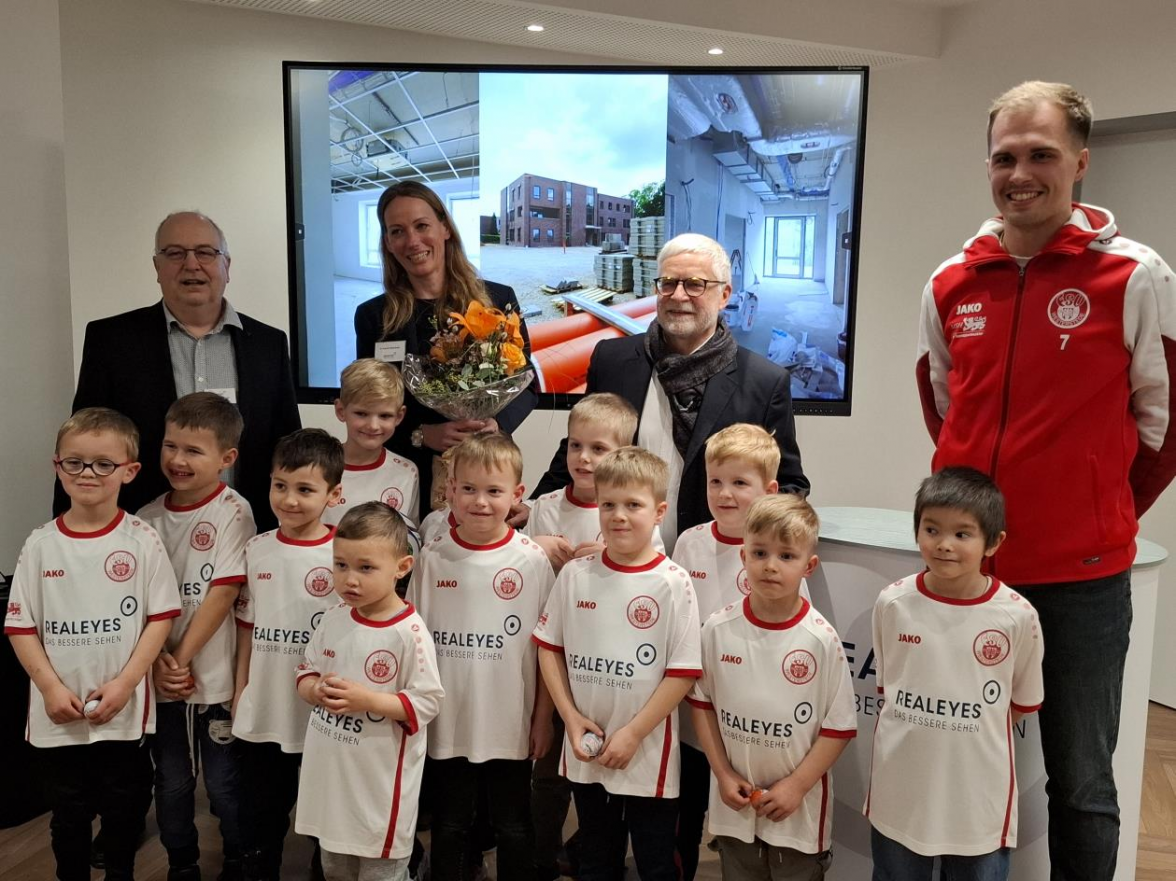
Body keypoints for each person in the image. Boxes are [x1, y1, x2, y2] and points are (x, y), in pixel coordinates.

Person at [915, 81, 1176, 880]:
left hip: (1082, 580)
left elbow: (1164, 423)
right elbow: (943, 404)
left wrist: (1100, 510)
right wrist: (970, 516)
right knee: (952, 757)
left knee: (1083, 782)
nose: (1019, 173)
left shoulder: (1133, 275)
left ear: (1081, 162)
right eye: (1004, 156)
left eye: (1041, 154)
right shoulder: (951, 280)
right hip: (967, 575)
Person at [532, 233, 808, 553]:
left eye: (694, 284)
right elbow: (579, 447)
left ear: (724, 295)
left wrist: (756, 551)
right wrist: (534, 506)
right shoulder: (612, 361)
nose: (678, 296)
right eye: (668, 283)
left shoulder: (762, 382)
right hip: (614, 558)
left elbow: (789, 485)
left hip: (712, 563)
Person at [5, 407, 180, 881]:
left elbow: (159, 620)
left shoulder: (142, 540)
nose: (89, 473)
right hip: (58, 713)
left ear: (129, 470)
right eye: (76, 462)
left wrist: (126, 683)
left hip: (120, 712)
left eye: (104, 463)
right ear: (57, 465)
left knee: (124, 812)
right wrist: (49, 689)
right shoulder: (40, 544)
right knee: (69, 815)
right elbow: (21, 628)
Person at [59, 211, 301, 531]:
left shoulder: (268, 344)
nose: (191, 264)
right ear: (157, 267)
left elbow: (288, 446)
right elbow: (82, 443)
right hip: (139, 534)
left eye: (205, 252)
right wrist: (69, 532)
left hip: (247, 532)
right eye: (174, 253)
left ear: (226, 266)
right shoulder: (112, 340)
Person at [533, 446, 702, 881]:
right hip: (586, 751)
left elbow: (682, 673)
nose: (619, 516)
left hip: (646, 756)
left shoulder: (673, 582)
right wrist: (569, 718)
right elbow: (549, 647)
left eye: (633, 505)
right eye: (608, 504)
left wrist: (632, 733)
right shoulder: (576, 575)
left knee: (656, 864)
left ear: (660, 511)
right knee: (595, 861)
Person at [866, 467, 1043, 879]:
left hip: (977, 801)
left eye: (962, 534)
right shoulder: (893, 602)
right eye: (932, 529)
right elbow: (889, 688)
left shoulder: (1017, 616)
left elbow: (1019, 705)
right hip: (901, 794)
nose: (944, 545)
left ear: (993, 542)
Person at [407, 432, 555, 881]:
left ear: (517, 494)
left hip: (509, 720)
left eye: (494, 491)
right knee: (450, 823)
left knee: (512, 823)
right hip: (448, 720)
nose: (480, 501)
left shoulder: (531, 561)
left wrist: (542, 718)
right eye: (468, 489)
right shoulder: (432, 559)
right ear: (449, 490)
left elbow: (548, 650)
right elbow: (413, 645)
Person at [688, 494, 856, 880]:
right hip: (735, 805)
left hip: (798, 813)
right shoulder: (717, 629)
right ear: (743, 556)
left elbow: (839, 726)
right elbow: (702, 705)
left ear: (809, 565)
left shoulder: (820, 639)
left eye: (786, 556)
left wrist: (797, 785)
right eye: (760, 553)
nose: (770, 566)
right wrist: (723, 774)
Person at [354, 181, 539, 523]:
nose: (412, 241)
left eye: (422, 226)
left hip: (486, 476)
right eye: (397, 231)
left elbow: (528, 385)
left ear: (444, 229)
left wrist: (496, 423)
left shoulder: (496, 300)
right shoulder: (373, 317)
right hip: (409, 477)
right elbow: (368, 404)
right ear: (388, 244)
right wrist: (422, 433)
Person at [138, 393, 257, 881]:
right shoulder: (144, 519)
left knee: (227, 786)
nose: (178, 460)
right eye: (171, 446)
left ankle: (236, 859)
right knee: (171, 784)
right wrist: (161, 663)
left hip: (213, 680)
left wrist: (181, 659)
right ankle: (181, 863)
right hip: (164, 682)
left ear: (227, 459)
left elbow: (223, 593)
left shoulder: (235, 510)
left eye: (193, 450)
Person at [294, 503, 444, 881]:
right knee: (334, 869)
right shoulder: (332, 617)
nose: (350, 580)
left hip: (377, 793)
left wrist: (367, 701)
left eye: (365, 568)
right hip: (332, 783)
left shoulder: (408, 632)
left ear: (402, 567)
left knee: (380, 874)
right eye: (341, 565)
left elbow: (427, 701)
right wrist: (313, 689)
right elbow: (305, 670)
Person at [232, 429, 344, 880]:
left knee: (324, 818)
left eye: (305, 489)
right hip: (267, 709)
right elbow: (247, 629)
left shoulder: (345, 553)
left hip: (323, 713)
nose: (290, 500)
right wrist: (242, 689)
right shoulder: (257, 549)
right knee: (262, 816)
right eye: (281, 485)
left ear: (334, 494)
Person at [671, 422, 781, 880]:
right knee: (682, 820)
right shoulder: (689, 542)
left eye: (740, 483)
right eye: (716, 481)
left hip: (745, 721)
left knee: (744, 826)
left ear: (769, 489)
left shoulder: (777, 552)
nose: (725, 494)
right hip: (687, 716)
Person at [527, 392, 664, 572]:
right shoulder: (543, 506)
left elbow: (657, 571)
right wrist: (533, 549)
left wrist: (614, 558)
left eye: (598, 448)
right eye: (575, 445)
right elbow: (520, 569)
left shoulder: (637, 513)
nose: (583, 457)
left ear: (622, 453)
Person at [326, 358, 420, 528]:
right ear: (341, 411)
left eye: (384, 416)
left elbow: (409, 537)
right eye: (361, 414)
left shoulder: (407, 472)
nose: (373, 426)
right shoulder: (318, 467)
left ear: (399, 416)